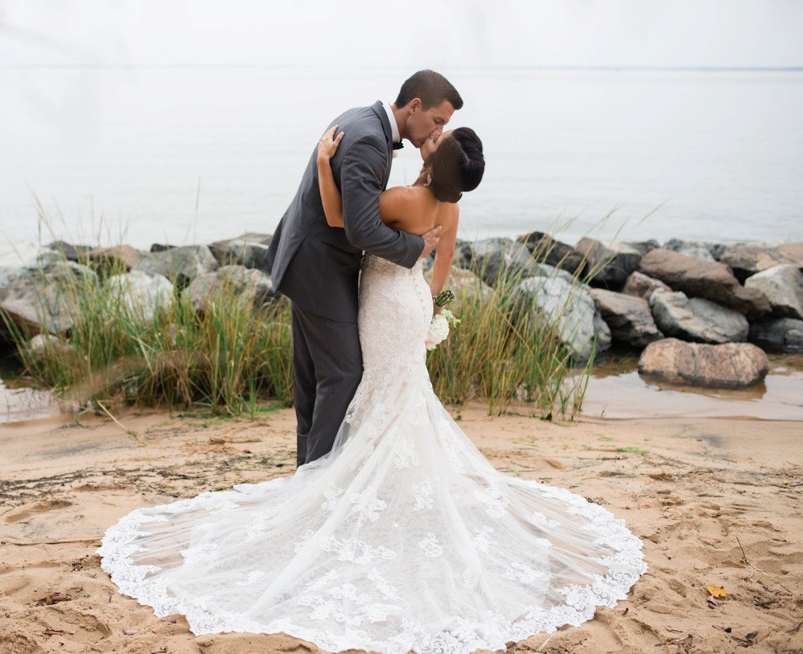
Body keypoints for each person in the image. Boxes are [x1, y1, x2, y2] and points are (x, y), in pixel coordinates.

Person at [99, 123, 647, 654]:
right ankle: (392, 491)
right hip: (411, 305)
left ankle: (349, 487)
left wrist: (321, 164)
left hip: (383, 305)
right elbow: (442, 268)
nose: (428, 141)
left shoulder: (405, 199)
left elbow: (344, 219)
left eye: (435, 142)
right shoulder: (451, 207)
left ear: (431, 164)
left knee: (376, 396)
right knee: (402, 398)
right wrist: (426, 309)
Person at [264, 69, 461, 467]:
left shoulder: (360, 118)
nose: (437, 131)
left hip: (308, 261)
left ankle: (308, 474)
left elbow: (351, 218)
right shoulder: (371, 141)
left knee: (314, 379)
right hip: (321, 268)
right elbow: (359, 227)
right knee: (342, 374)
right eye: (438, 121)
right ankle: (317, 481)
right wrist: (416, 249)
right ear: (415, 106)